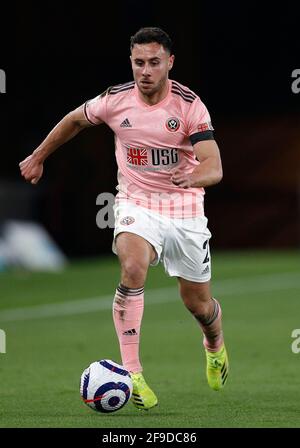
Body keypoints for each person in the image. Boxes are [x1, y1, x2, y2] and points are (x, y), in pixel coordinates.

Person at [19, 27, 229, 411]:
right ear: (130, 61)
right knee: (132, 267)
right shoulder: (115, 100)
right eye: (138, 62)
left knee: (198, 304)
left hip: (184, 210)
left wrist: (193, 175)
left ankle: (214, 343)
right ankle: (133, 374)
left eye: (153, 62)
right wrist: (38, 156)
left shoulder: (189, 105)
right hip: (136, 203)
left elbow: (214, 165)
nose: (145, 71)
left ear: (169, 63)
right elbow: (74, 120)